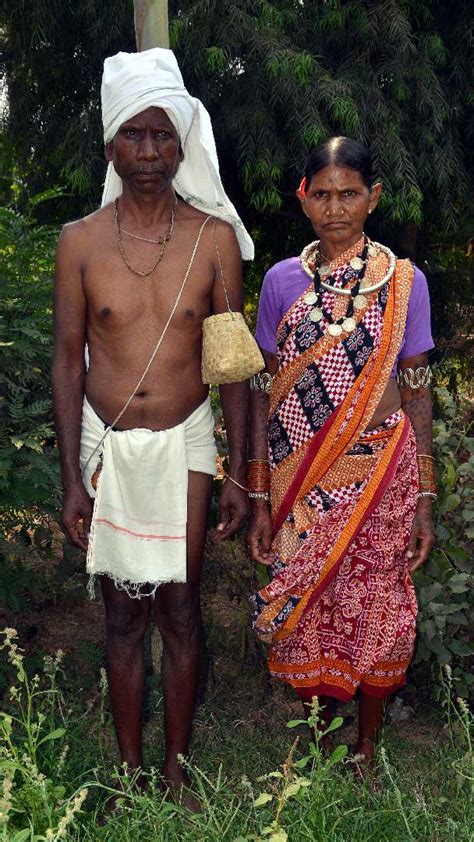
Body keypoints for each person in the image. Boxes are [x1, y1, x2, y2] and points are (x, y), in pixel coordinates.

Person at [52, 48, 253, 809]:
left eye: (162, 137)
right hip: (107, 445)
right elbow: (69, 365)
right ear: (110, 144)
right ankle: (133, 769)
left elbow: (230, 364)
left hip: (188, 441)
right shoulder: (80, 241)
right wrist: (72, 475)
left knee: (180, 605)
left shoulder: (213, 239)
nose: (148, 154)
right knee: (121, 614)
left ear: (183, 144)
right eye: (132, 136)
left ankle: (176, 767)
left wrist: (239, 471)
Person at [247, 137, 436, 768]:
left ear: (373, 197)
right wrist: (258, 493)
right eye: (322, 193)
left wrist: (427, 495)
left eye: (349, 193)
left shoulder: (405, 284)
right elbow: (266, 389)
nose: (336, 208)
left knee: (377, 596)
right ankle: (319, 734)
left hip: (383, 466)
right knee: (310, 599)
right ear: (303, 198)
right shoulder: (280, 283)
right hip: (299, 474)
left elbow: (415, 386)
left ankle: (366, 744)